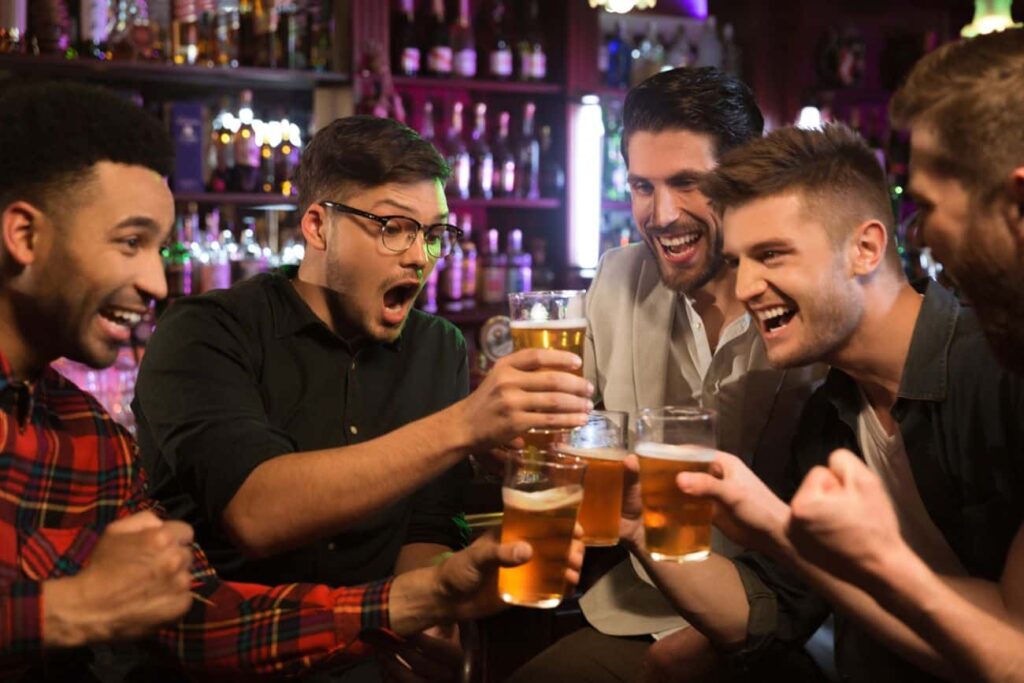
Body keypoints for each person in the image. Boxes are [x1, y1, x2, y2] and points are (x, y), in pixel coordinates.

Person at [0, 81, 584, 680]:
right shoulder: (209, 330)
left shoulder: (87, 436)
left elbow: (201, 620)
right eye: (131, 243)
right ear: (316, 226)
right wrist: (62, 612)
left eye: (432, 234)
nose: (157, 282)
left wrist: (428, 599)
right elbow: (255, 518)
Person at [658, 122, 1024, 682]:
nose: (748, 286)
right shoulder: (826, 418)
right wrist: (638, 528)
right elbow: (771, 613)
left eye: (773, 254)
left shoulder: (1000, 375)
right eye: (738, 262)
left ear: (866, 248)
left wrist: (779, 527)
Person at [509, 67, 825, 683]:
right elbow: (565, 435)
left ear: (746, 176)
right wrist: (522, 435)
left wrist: (716, 642)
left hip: (798, 626)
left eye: (687, 183)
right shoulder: (619, 277)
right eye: (642, 186)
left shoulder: (815, 300)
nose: (662, 214)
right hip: (638, 609)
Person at [778, 27, 1024, 682]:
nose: (921, 238)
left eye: (928, 207)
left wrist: (879, 556)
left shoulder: (992, 377)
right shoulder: (825, 416)